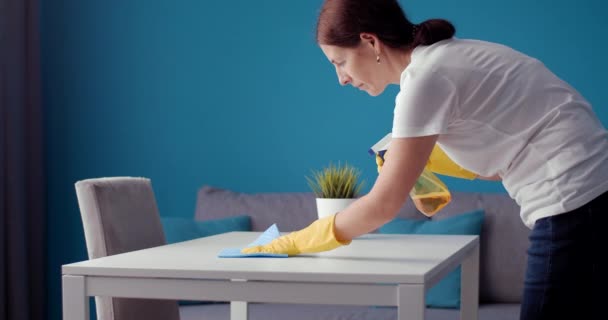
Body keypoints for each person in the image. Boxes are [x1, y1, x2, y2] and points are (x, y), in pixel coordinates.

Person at [242, 0, 608, 319]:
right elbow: (507, 157)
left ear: (370, 41)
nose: (341, 78)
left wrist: (295, 241)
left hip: (575, 199)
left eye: (340, 62)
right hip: (589, 192)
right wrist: (431, 158)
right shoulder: (445, 59)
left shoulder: (424, 79)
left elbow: (383, 206)